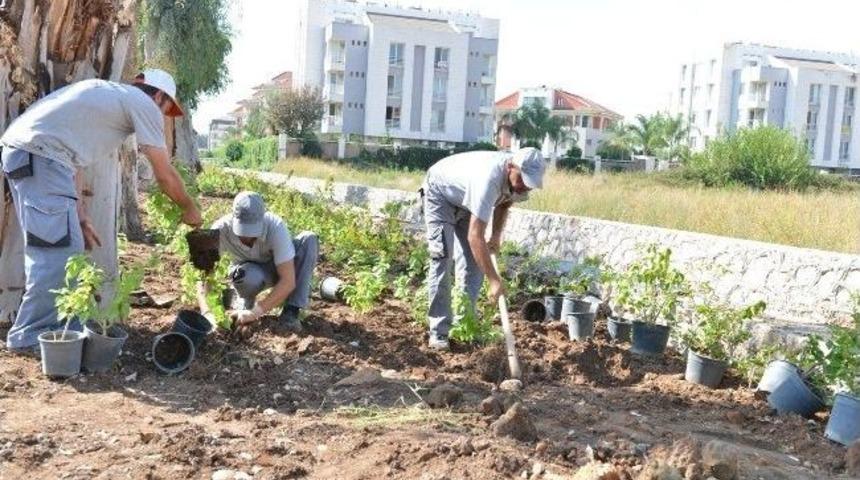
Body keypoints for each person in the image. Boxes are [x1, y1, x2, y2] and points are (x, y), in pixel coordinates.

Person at [1, 69, 201, 354]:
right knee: (56, 255)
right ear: (158, 95)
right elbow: (164, 174)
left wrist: (80, 214)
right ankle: (30, 336)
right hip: (41, 158)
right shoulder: (143, 104)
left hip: (38, 157)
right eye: (167, 108)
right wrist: (188, 207)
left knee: (64, 248)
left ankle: (58, 332)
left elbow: (75, 160)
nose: (165, 116)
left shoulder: (107, 99)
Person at [421, 147, 547, 350]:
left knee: (475, 264)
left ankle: (465, 326)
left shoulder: (520, 185)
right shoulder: (489, 179)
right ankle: (439, 332)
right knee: (442, 259)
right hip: (440, 194)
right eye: (523, 179)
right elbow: (475, 236)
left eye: (530, 183)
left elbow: (504, 204)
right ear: (510, 167)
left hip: (466, 201)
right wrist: (494, 281)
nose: (525, 186)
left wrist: (496, 236)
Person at [198, 191, 319, 332]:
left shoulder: (275, 226)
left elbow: (288, 280)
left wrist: (256, 313)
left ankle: (291, 312)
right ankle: (245, 302)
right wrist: (207, 313)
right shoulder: (219, 229)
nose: (248, 238)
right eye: (243, 232)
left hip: (278, 268)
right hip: (247, 271)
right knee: (247, 275)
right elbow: (202, 276)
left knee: (309, 239)